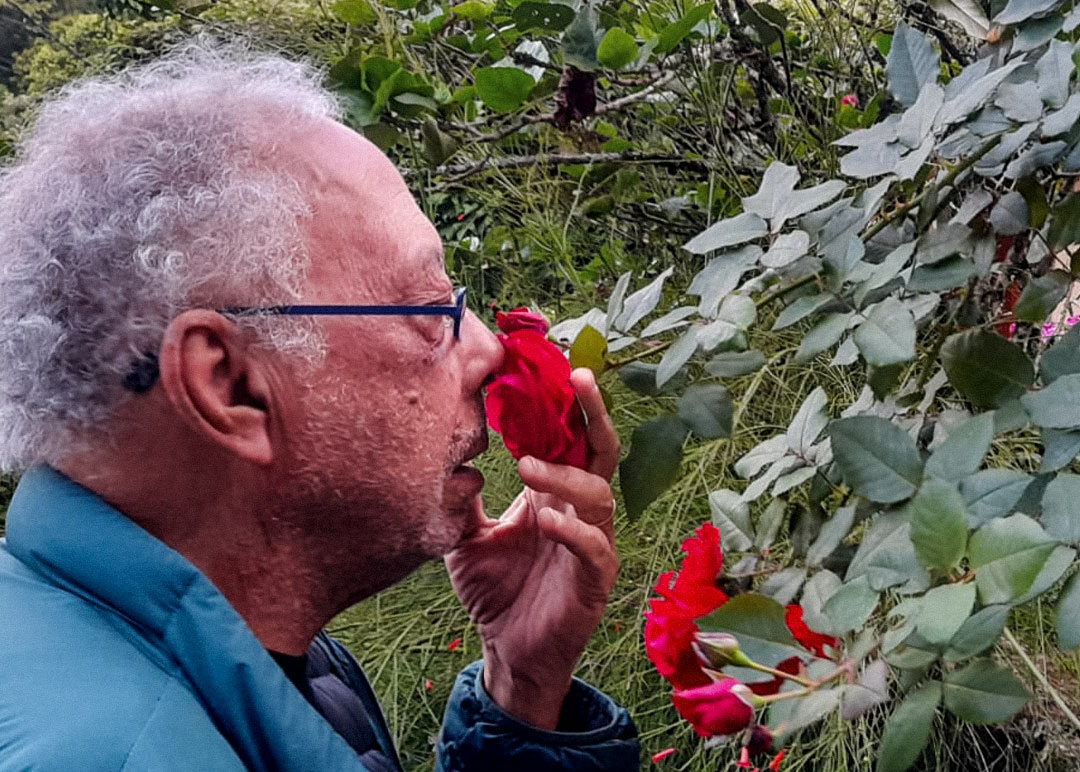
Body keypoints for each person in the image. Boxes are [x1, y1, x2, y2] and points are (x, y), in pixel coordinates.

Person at [0, 39, 639, 771]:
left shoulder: (223, 659)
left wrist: (523, 689)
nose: (489, 350)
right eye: (428, 310)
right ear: (229, 386)